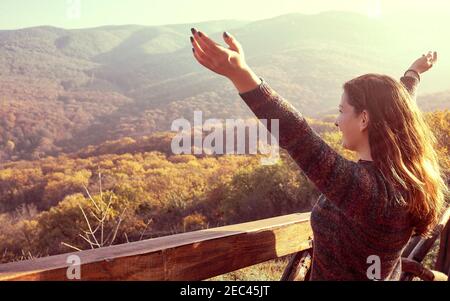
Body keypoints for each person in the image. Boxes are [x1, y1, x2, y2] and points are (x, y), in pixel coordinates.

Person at [189, 28, 447, 280]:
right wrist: (413, 73)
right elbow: (398, 114)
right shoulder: (402, 180)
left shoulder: (368, 192)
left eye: (341, 110)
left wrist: (241, 74)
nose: (336, 121)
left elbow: (298, 135)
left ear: (364, 119)